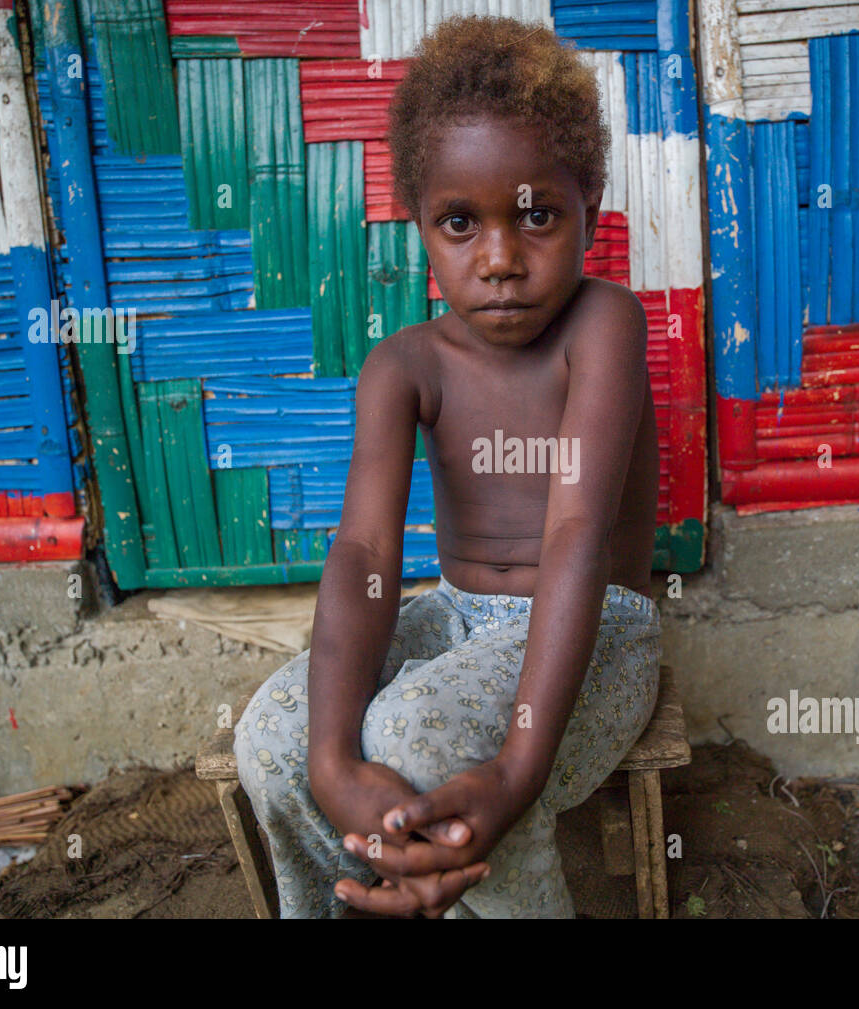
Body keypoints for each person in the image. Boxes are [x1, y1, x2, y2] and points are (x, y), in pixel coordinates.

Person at [234, 13, 662, 918]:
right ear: (420, 224)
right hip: (456, 619)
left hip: (597, 635)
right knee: (272, 736)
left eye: (537, 213)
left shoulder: (605, 325)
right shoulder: (405, 365)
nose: (501, 259)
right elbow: (362, 558)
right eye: (461, 222)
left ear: (590, 197)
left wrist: (516, 766)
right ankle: (370, 901)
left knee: (419, 735)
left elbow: (578, 532)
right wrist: (331, 761)